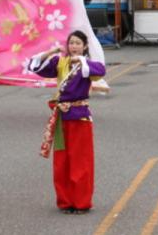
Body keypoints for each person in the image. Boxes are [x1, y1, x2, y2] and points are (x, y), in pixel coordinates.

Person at [26, 30, 106, 214]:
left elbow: (100, 71)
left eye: (78, 43)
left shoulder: (88, 65)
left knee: (81, 161)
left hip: (80, 117)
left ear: (85, 46)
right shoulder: (61, 62)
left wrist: (83, 61)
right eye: (71, 43)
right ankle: (65, 201)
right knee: (62, 161)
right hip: (62, 117)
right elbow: (35, 66)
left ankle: (81, 202)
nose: (74, 46)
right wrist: (51, 52)